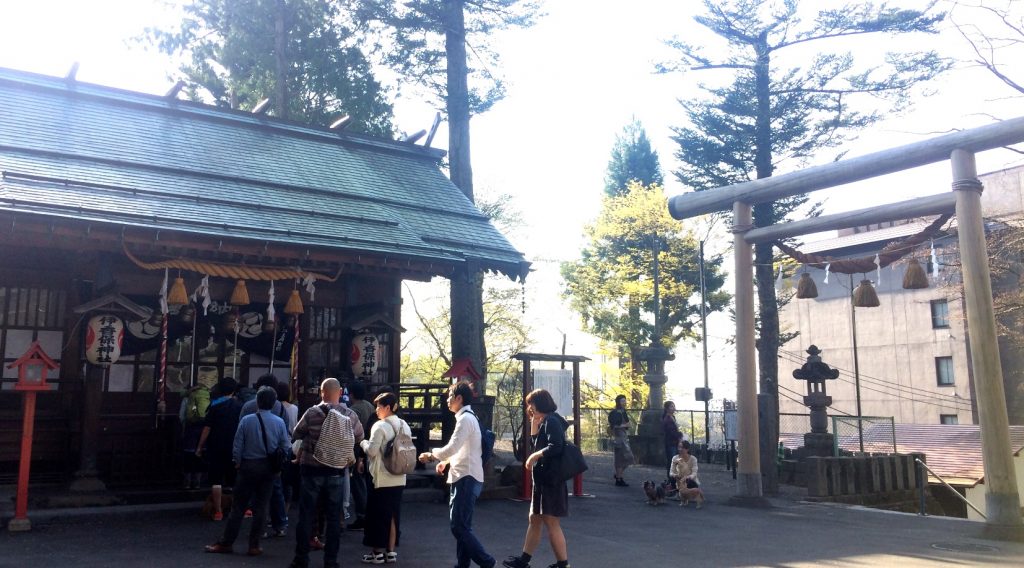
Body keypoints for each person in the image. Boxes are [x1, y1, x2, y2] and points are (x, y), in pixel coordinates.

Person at [204, 386, 291, 556]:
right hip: (268, 468)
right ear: (274, 403)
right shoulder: (279, 422)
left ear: (257, 401)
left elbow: (238, 444)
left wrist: (237, 462)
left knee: (239, 506)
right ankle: (254, 545)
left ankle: (227, 542)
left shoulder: (247, 420)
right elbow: (285, 446)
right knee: (262, 506)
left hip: (248, 465)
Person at [288, 378, 365, 568]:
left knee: (306, 515)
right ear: (339, 392)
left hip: (311, 470)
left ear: (322, 392)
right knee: (333, 518)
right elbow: (360, 438)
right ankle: (331, 561)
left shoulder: (312, 413)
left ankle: (301, 559)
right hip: (336, 471)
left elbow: (296, 434)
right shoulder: (350, 415)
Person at [419, 381, 496, 568]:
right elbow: (463, 449)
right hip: (468, 475)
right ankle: (463, 565)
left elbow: (452, 447)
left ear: (459, 398)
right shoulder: (470, 417)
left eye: (449, 396)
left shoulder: (465, 419)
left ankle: (486, 562)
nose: (447, 400)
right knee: (463, 527)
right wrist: (445, 462)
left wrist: (432, 455)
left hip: (466, 477)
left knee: (459, 526)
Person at [503, 389, 571, 568]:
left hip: (550, 481)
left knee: (551, 521)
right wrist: (534, 423)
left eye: (531, 403)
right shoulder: (546, 421)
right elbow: (537, 443)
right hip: (544, 481)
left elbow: (555, 447)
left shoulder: (552, 421)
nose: (529, 408)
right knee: (535, 519)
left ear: (540, 403)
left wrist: (535, 456)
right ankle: (524, 560)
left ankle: (563, 564)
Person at [360, 391, 410, 565]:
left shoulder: (379, 426)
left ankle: (377, 553)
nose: (376, 410)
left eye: (379, 406)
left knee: (377, 515)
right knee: (393, 515)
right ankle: (391, 552)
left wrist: (363, 443)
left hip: (382, 477)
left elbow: (372, 451)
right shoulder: (404, 425)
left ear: (387, 407)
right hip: (399, 475)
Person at [241, 374, 289, 537]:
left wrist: (237, 458)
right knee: (276, 491)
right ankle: (280, 524)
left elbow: (239, 435)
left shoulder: (247, 407)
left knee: (256, 495)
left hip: (251, 457)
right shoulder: (281, 408)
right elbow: (285, 438)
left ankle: (259, 527)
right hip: (273, 459)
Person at [196, 377, 243, 521]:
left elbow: (207, 428)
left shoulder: (214, 406)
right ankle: (238, 509)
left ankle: (218, 511)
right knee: (236, 480)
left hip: (216, 446)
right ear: (234, 390)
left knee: (216, 480)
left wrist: (199, 446)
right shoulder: (240, 406)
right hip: (235, 447)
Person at [347, 380, 375, 532]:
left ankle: (361, 515)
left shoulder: (353, 410)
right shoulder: (370, 406)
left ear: (351, 394)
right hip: (370, 446)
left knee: (357, 483)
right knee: (366, 482)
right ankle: (367, 514)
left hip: (358, 448)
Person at [179, 383, 210, 489]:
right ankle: (198, 482)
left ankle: (187, 483)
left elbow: (182, 416)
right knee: (200, 455)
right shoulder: (207, 396)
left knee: (188, 456)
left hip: (190, 429)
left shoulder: (188, 398)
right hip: (203, 430)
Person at [670, 440, 705, 509]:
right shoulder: (675, 458)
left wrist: (688, 477)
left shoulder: (693, 459)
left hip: (689, 480)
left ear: (687, 449)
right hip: (679, 479)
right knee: (672, 477)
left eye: (682, 447)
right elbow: (671, 472)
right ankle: (679, 495)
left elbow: (694, 473)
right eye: (679, 447)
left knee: (691, 485)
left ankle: (690, 496)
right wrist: (675, 475)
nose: (680, 449)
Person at [608, 394, 633, 487]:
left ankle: (618, 475)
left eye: (625, 401)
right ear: (618, 402)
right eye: (622, 401)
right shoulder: (615, 412)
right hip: (618, 437)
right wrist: (624, 425)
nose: (624, 402)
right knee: (620, 458)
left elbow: (628, 423)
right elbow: (613, 425)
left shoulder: (623, 411)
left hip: (624, 437)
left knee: (628, 458)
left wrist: (626, 425)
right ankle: (619, 478)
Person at [661, 401, 682, 478]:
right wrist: (679, 436)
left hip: (673, 442)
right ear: (667, 408)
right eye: (671, 407)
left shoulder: (672, 417)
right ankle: (671, 479)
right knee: (672, 461)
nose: (673, 408)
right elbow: (671, 431)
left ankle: (673, 478)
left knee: (674, 461)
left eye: (674, 406)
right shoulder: (667, 418)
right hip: (671, 442)